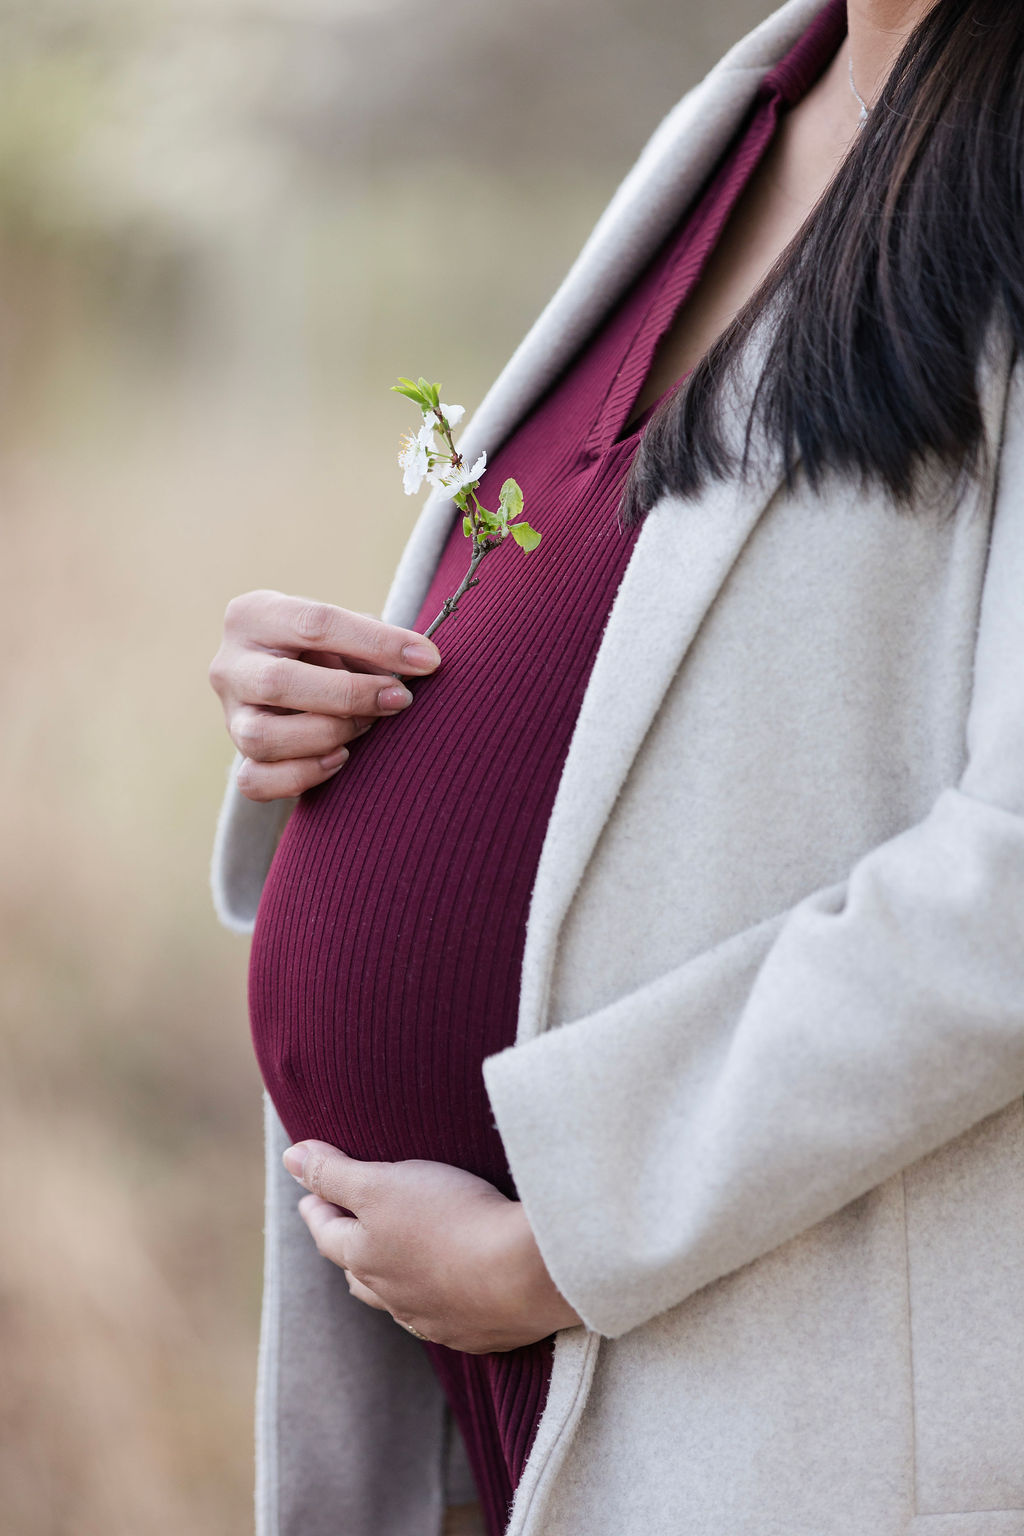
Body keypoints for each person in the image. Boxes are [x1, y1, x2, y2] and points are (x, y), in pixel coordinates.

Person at [208, 0, 1024, 1532]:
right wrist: (324, 707)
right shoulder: (758, 107)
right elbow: (656, 646)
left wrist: (567, 1235)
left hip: (767, 1383)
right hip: (485, 1388)